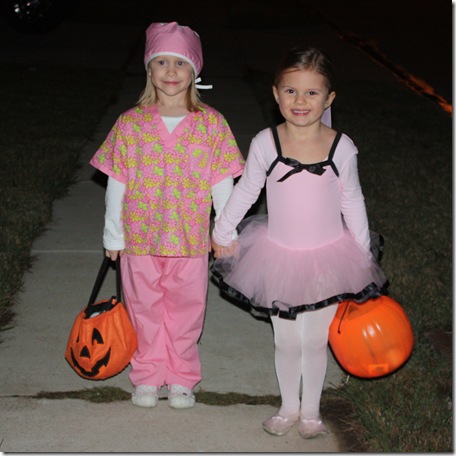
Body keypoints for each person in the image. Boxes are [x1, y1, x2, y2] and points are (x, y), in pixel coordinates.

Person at [211, 46, 387, 438]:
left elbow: (352, 200)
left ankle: (311, 411)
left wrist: (361, 255)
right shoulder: (265, 143)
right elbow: (247, 190)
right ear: (276, 94)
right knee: (286, 340)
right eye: (291, 91)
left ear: (329, 98)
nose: (301, 101)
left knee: (314, 340)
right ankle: (288, 406)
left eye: (311, 92)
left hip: (328, 258)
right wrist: (223, 230)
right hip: (278, 258)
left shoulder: (341, 147)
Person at [90, 22, 245, 409]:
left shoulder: (211, 124)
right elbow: (117, 182)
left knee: (186, 311)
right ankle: (147, 374)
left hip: (190, 240)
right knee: (143, 309)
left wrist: (224, 230)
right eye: (161, 62)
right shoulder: (130, 123)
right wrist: (113, 234)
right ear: (149, 68)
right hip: (140, 239)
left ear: (194, 70)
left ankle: (180, 376)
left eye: (180, 63)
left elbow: (221, 182)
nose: (171, 71)